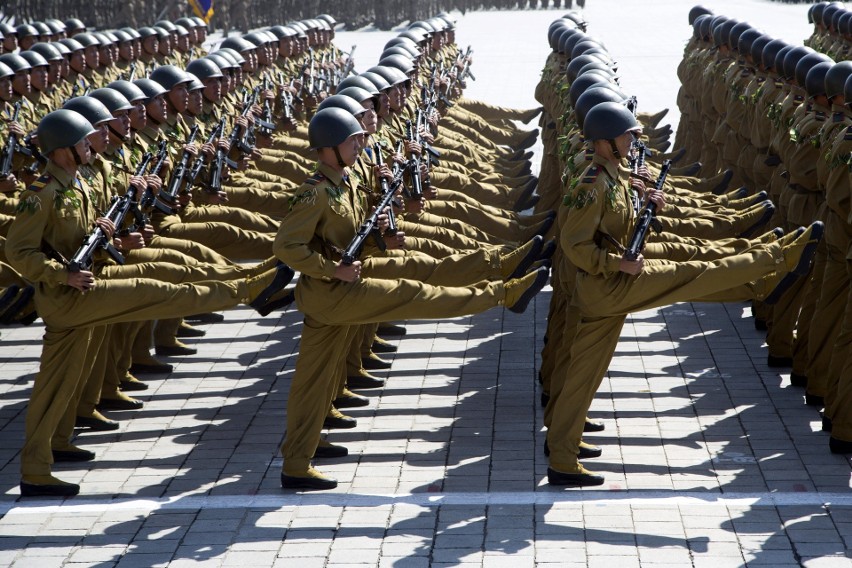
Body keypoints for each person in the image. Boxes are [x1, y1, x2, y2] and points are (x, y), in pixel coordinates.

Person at [6, 109, 292, 497]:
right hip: (66, 296)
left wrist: (108, 238)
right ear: (61, 150)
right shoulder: (39, 195)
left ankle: (52, 448)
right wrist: (62, 274)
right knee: (157, 290)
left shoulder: (76, 185)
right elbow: (20, 253)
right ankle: (247, 291)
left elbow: (74, 243)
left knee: (64, 379)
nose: (90, 145)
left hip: (85, 285)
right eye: (82, 142)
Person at [545, 102, 824, 487]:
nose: (633, 140)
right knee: (691, 274)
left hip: (606, 289)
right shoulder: (591, 184)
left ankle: (562, 454)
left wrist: (645, 203)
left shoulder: (611, 177)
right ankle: (777, 258)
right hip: (607, 287)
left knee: (583, 376)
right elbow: (575, 244)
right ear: (606, 142)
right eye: (628, 135)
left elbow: (614, 227)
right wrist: (615, 265)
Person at [273, 108, 549, 490]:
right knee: (413, 293)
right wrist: (331, 269)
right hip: (331, 294)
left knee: (316, 380)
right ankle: (503, 292)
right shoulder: (314, 192)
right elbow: (287, 246)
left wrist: (378, 241)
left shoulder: (345, 183)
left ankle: (300, 456)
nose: (361, 144)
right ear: (330, 147)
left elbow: (343, 240)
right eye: (353, 140)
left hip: (340, 289)